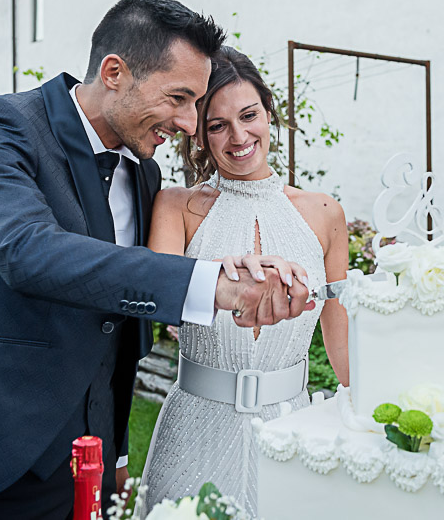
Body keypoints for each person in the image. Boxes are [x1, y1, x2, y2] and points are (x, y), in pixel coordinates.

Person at [0, 0, 314, 520]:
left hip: (95, 455)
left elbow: (117, 318)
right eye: (179, 98)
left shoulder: (146, 170)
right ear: (115, 72)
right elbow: (27, 252)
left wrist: (115, 447)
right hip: (3, 450)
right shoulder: (3, 127)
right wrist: (210, 285)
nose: (189, 123)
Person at [137, 48, 349, 517]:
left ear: (268, 114)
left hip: (290, 423)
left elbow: (339, 320)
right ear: (199, 133)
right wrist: (215, 278)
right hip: (195, 421)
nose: (238, 137)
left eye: (249, 115)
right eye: (217, 125)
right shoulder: (176, 205)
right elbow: (157, 297)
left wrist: (362, 406)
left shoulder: (324, 212)